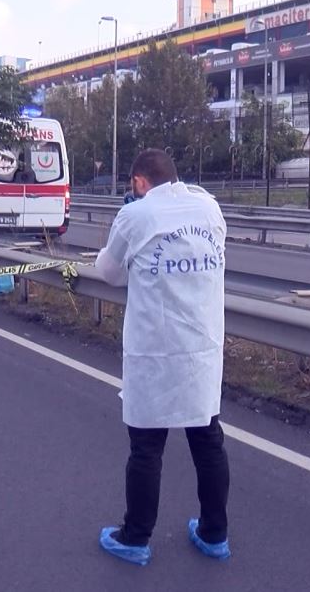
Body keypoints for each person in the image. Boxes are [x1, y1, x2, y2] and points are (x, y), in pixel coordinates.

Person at [94, 148, 231, 566]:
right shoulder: (209, 207)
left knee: (147, 447)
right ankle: (214, 533)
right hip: (202, 348)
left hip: (155, 350)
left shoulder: (135, 216)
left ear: (138, 182)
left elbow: (108, 272)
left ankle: (135, 538)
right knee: (207, 441)